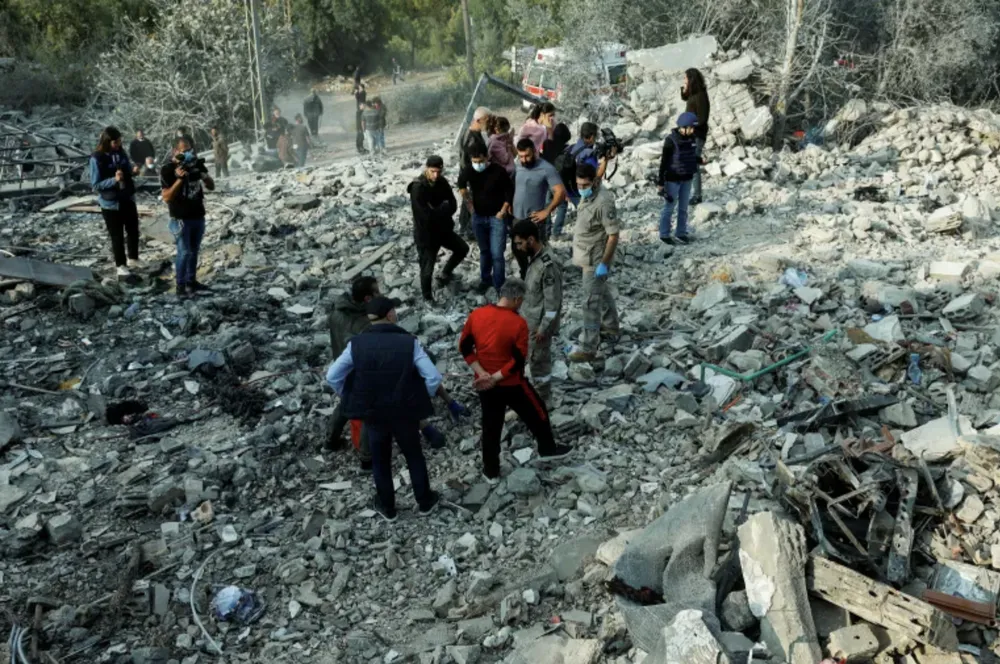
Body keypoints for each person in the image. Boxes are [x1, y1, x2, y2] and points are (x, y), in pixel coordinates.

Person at [326, 296, 441, 521]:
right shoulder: (409, 342)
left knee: (380, 460)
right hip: (405, 411)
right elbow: (433, 377)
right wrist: (420, 396)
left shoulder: (356, 344)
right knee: (414, 455)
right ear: (389, 315)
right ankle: (425, 501)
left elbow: (332, 376)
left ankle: (388, 508)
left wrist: (349, 395)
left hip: (374, 412)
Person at [325, 277, 460, 462]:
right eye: (377, 292)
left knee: (347, 403)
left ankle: (330, 440)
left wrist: (344, 390)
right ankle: (367, 456)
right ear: (367, 298)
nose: (380, 294)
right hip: (366, 371)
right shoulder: (366, 324)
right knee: (369, 413)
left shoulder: (337, 313)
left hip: (344, 365)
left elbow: (334, 364)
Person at [459, 278, 572, 482]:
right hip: (511, 383)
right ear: (517, 299)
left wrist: (482, 373)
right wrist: (495, 377)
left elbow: (465, 348)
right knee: (538, 412)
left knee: (491, 426)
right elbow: (518, 361)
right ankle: (548, 449)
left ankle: (491, 471)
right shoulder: (518, 323)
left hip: (484, 384)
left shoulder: (476, 315)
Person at [567, 163, 619, 362]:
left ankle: (589, 347)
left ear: (596, 181)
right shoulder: (587, 196)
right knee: (601, 292)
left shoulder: (604, 202)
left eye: (585, 185)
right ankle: (611, 326)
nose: (581, 188)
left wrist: (604, 263)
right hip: (586, 255)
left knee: (590, 302)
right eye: (579, 185)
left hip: (595, 259)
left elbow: (613, 235)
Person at [512, 221, 562, 401]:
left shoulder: (548, 265)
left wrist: (544, 328)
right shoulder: (535, 259)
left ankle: (543, 399)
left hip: (538, 327)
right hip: (529, 321)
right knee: (531, 360)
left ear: (530, 240)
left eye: (520, 243)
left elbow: (553, 302)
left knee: (539, 363)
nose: (518, 248)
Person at [407, 155, 469, 303]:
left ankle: (445, 273)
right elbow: (424, 216)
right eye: (433, 171)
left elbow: (453, 204)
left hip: (443, 230)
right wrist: (442, 209)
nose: (436, 175)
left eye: (438, 172)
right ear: (426, 169)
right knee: (427, 269)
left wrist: (438, 210)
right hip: (426, 235)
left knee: (462, 249)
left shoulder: (442, 182)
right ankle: (427, 297)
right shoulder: (417, 187)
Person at [161, 136, 215, 298]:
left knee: (194, 251)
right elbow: (167, 197)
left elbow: (211, 186)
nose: (188, 154)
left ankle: (192, 282)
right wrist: (179, 179)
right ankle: (180, 286)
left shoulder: (196, 165)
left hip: (198, 214)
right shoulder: (168, 169)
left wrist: (204, 175)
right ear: (175, 152)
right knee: (184, 252)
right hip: (180, 218)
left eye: (190, 150)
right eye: (184, 151)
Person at [457, 142, 513, 294]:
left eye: (480, 161)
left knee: (497, 253)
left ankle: (499, 284)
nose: (478, 165)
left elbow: (509, 191)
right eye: (475, 162)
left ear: (487, 157)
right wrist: (469, 205)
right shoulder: (469, 170)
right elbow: (461, 183)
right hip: (479, 217)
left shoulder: (498, 171)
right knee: (484, 251)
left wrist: (503, 211)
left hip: (497, 218)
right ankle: (485, 280)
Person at [90, 126, 141, 278]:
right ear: (106, 141)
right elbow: (95, 185)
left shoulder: (121, 152)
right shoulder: (96, 158)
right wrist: (114, 180)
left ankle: (133, 258)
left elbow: (127, 168)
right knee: (117, 235)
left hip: (127, 197)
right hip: (111, 203)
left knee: (133, 230)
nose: (118, 145)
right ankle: (121, 265)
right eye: (115, 142)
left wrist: (133, 171)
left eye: (119, 142)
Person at [511, 139, 565, 278]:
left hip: (534, 220)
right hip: (517, 217)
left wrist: (547, 211)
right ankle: (525, 274)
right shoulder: (518, 165)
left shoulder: (546, 168)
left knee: (536, 252)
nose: (524, 159)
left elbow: (560, 192)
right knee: (517, 249)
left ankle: (542, 277)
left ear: (535, 152)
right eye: (521, 156)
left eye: (527, 156)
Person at [658, 112, 701, 245]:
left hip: (687, 178)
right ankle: (664, 235)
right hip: (672, 180)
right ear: (683, 127)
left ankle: (681, 233)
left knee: (683, 208)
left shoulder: (691, 138)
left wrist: (700, 160)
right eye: (691, 127)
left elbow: (691, 157)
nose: (693, 130)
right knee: (669, 207)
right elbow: (664, 162)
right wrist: (660, 182)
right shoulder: (670, 141)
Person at [459, 107, 491, 239]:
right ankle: (469, 231)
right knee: (472, 203)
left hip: (469, 175)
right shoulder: (472, 139)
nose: (489, 124)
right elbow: (471, 161)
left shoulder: (472, 133)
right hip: (472, 176)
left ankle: (466, 229)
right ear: (478, 120)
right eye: (487, 121)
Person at [681, 68, 710, 205]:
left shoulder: (701, 95)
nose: (684, 80)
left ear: (691, 79)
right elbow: (685, 97)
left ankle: (697, 196)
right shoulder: (693, 94)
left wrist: (690, 124)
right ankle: (693, 192)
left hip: (697, 134)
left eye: (685, 78)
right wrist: (684, 88)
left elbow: (703, 118)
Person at [541, 123, 572, 238]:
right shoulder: (565, 149)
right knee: (562, 205)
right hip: (558, 181)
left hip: (546, 179)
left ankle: (547, 231)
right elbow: (565, 170)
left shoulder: (547, 144)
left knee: (547, 205)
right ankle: (556, 232)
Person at [354, 83, 368, 154]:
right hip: (359, 126)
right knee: (360, 136)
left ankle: (361, 148)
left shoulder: (362, 94)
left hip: (360, 126)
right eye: (363, 105)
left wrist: (358, 90)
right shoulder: (359, 111)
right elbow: (357, 96)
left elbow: (360, 95)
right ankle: (359, 148)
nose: (364, 106)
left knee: (361, 137)